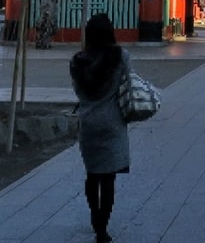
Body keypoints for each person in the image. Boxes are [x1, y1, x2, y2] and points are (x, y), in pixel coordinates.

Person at [69, 13, 131, 243]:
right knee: (108, 179)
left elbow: (78, 91)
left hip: (88, 123)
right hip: (112, 122)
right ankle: (102, 229)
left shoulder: (77, 62)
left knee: (92, 174)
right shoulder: (120, 57)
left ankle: (95, 217)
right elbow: (127, 83)